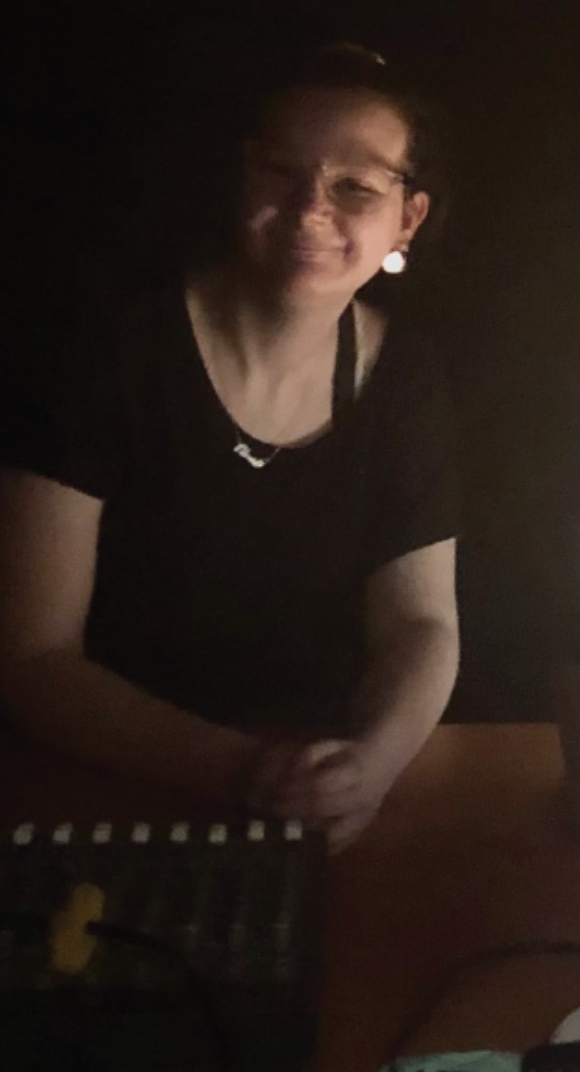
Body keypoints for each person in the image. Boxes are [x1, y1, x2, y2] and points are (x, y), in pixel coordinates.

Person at [0, 45, 461, 849]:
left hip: (319, 796)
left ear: (408, 218)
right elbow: (33, 659)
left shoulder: (407, 376)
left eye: (354, 186)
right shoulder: (107, 353)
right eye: (281, 172)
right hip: (106, 781)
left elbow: (422, 624)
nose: (309, 208)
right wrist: (245, 771)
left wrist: (372, 768)